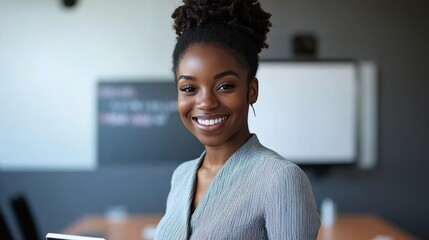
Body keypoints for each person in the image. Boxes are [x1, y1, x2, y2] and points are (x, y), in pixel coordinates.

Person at [155, 0, 320, 239]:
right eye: (189, 88)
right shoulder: (181, 175)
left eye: (225, 86)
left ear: (251, 90)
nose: (206, 103)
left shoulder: (280, 178)